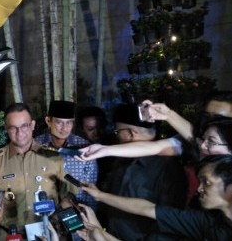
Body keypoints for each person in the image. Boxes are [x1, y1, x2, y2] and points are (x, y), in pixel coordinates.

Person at [80, 154, 232, 240]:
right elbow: (148, 209)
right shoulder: (207, 222)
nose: (199, 189)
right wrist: (99, 197)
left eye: (206, 182)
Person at [0, 102, 77, 240]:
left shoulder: (53, 157)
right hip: (10, 236)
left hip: (48, 234)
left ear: (33, 125)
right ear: (6, 128)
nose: (20, 132)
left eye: (24, 126)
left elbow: (69, 194)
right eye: (13, 128)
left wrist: (59, 222)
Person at [101, 104, 187, 241]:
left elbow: (169, 220)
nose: (116, 137)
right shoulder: (121, 160)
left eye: (118, 132)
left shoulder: (169, 169)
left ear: (131, 133)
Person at [77, 91, 232, 160]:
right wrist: (105, 150)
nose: (210, 123)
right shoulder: (202, 144)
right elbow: (156, 147)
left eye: (218, 119)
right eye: (206, 116)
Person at [35, 100, 98, 210]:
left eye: (69, 122)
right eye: (59, 122)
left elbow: (90, 191)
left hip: (77, 212)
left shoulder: (84, 147)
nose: (64, 128)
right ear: (48, 121)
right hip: (43, 212)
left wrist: (89, 218)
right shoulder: (36, 145)